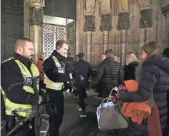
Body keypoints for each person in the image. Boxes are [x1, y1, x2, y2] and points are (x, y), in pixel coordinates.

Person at [113, 42, 169, 136]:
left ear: (148, 53)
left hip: (148, 111)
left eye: (142, 53)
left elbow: (143, 94)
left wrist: (121, 96)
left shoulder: (150, 67)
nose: (140, 57)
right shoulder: (163, 65)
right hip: (161, 108)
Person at [1, 38, 41, 136]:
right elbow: (14, 93)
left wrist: (42, 94)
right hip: (15, 120)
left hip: (31, 117)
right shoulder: (9, 65)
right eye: (30, 49)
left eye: (33, 49)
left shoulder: (33, 67)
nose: (33, 52)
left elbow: (35, 87)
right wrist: (36, 98)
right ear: (19, 50)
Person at [43, 40, 71, 136]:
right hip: (51, 94)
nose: (66, 51)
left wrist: (67, 84)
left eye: (67, 49)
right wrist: (69, 76)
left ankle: (55, 133)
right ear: (58, 48)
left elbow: (63, 74)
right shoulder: (49, 61)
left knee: (59, 117)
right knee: (54, 118)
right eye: (65, 49)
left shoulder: (61, 60)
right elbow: (54, 76)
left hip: (59, 93)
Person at [74, 53, 92, 117]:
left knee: (81, 94)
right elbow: (90, 72)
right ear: (83, 56)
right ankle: (84, 103)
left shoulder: (75, 64)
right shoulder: (87, 64)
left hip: (78, 81)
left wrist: (75, 78)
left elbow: (73, 72)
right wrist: (86, 76)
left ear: (78, 57)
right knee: (83, 91)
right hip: (84, 80)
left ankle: (83, 109)